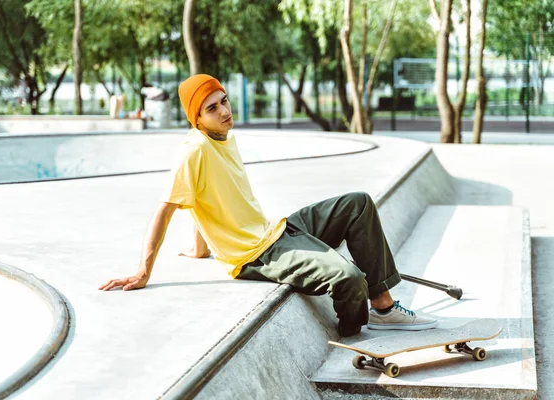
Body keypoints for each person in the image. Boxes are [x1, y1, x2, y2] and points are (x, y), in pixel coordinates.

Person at [99, 74, 437, 336]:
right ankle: (355, 332)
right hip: (256, 254)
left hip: (276, 230)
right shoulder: (194, 151)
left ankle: (383, 306)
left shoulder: (223, 138)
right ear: (197, 120)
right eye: (212, 108)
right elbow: (167, 208)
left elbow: (200, 199)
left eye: (224, 101)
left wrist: (200, 249)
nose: (225, 111)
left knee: (358, 204)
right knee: (349, 279)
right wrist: (143, 272)